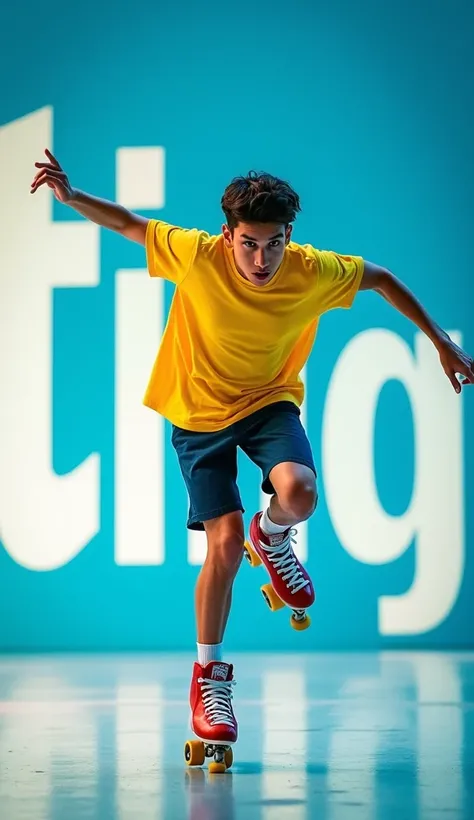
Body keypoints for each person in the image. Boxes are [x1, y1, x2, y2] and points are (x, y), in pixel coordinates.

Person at [30, 149, 474, 764]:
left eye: (272, 244)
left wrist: (441, 343)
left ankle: (273, 535)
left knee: (300, 493)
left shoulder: (312, 270)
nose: (260, 260)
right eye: (248, 244)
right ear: (226, 236)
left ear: (288, 238)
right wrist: (72, 196)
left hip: (268, 405)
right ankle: (209, 679)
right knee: (222, 541)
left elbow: (382, 279)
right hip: (196, 414)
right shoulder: (196, 256)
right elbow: (130, 223)